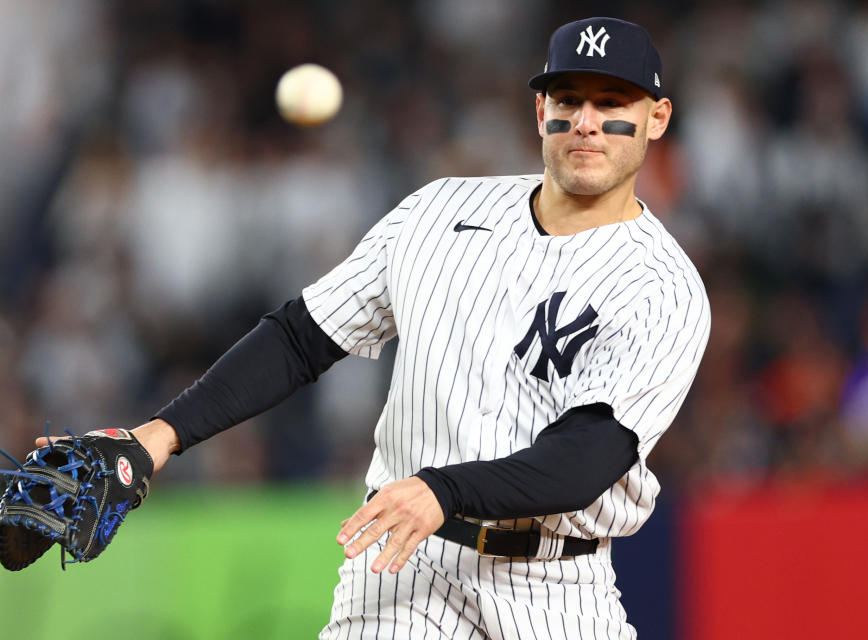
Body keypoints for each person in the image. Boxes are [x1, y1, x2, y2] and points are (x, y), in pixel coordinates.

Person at [43, 17, 709, 639]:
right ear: (541, 111)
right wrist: (159, 435)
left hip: (555, 584)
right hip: (402, 570)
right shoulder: (440, 212)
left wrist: (443, 490)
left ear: (655, 119)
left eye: (612, 103)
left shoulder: (661, 288)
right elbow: (302, 337)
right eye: (569, 99)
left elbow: (584, 459)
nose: (586, 123)